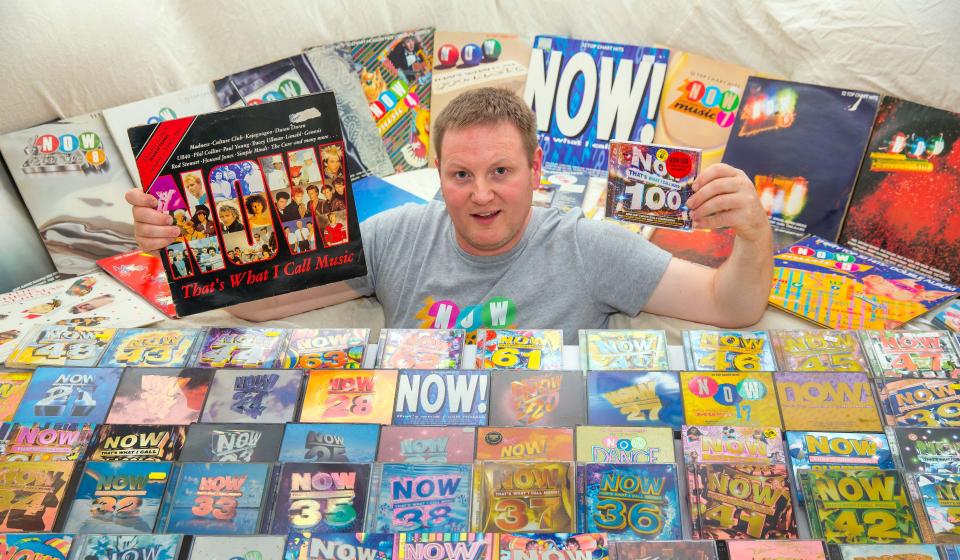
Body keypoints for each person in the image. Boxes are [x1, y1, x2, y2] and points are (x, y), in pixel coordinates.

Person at [128, 87, 772, 335]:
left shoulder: (586, 246)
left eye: (501, 173)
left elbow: (731, 306)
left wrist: (753, 230)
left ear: (536, 172)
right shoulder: (397, 236)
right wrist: (183, 243)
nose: (482, 194)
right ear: (439, 175)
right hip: (413, 468)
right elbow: (258, 300)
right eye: (461, 175)